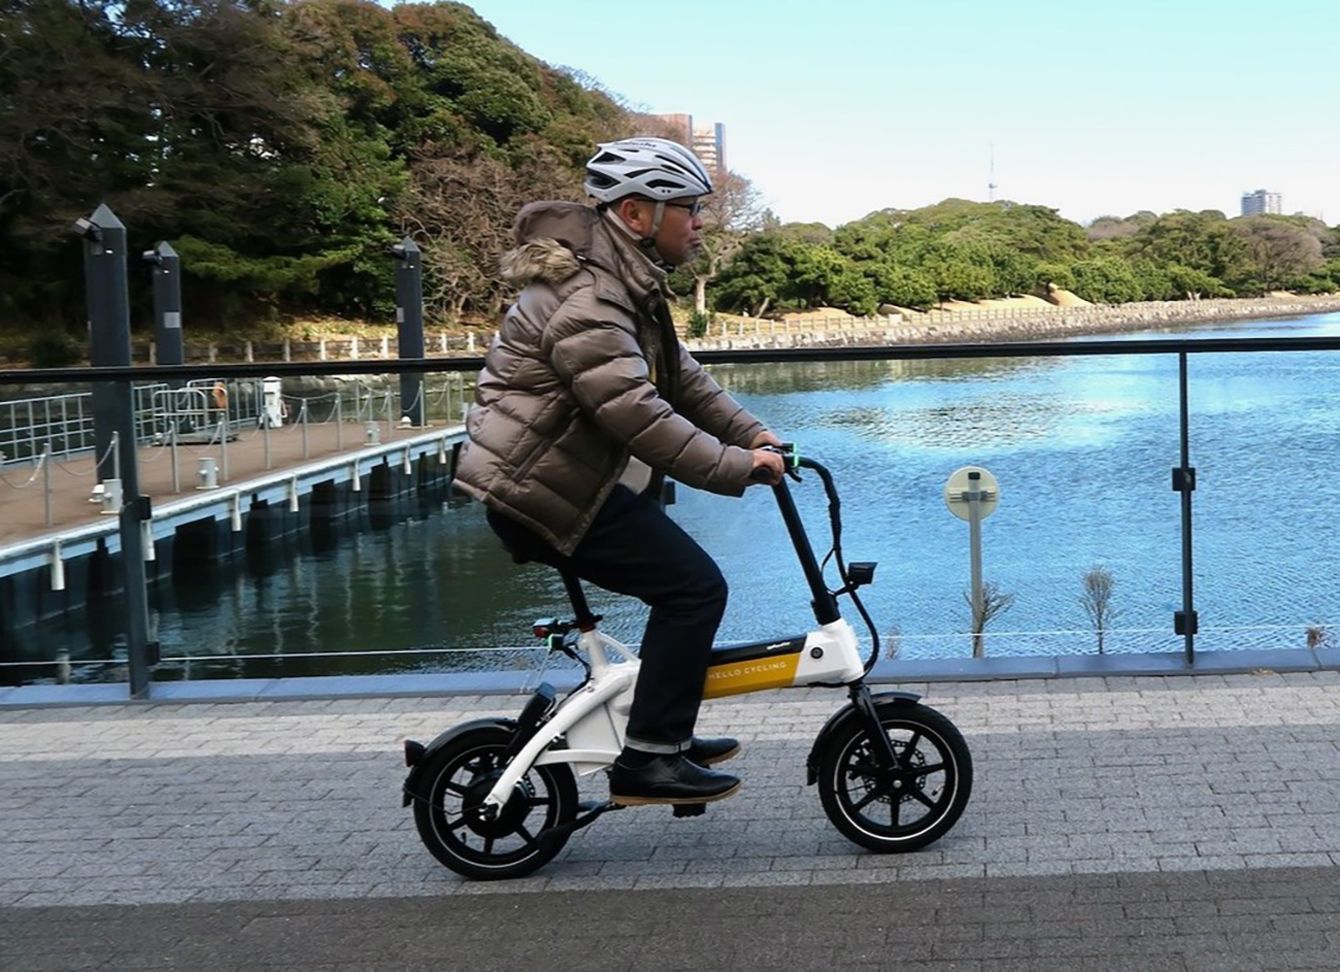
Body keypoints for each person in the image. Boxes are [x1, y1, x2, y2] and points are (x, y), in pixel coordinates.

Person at [453, 136, 785, 806]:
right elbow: (636, 412)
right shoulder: (589, 299)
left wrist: (753, 433)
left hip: (561, 480)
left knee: (685, 587)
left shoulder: (623, 283)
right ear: (637, 214)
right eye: (688, 208)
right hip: (541, 490)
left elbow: (682, 381)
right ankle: (650, 758)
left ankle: (664, 734)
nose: (699, 222)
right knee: (693, 589)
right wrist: (735, 467)